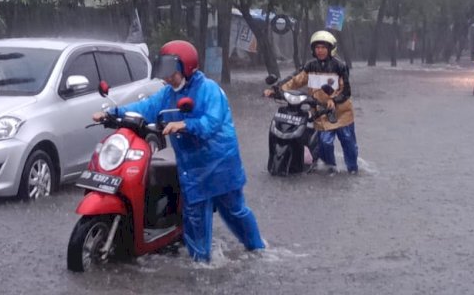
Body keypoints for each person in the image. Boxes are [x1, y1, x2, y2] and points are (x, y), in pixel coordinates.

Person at [91, 39, 264, 263]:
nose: (167, 78)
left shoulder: (209, 89)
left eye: (172, 73)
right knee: (194, 216)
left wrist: (185, 124)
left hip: (220, 162)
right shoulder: (167, 94)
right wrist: (112, 113)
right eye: (165, 73)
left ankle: (257, 249)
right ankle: (201, 265)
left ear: (187, 67)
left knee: (234, 211)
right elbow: (145, 108)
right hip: (192, 167)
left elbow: (212, 121)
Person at [265, 30, 358, 174]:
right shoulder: (310, 66)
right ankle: (331, 169)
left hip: (341, 112)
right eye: (317, 48)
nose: (320, 51)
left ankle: (352, 169)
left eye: (323, 47)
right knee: (325, 143)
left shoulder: (340, 66)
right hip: (320, 112)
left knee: (348, 141)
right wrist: (275, 89)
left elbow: (346, 90)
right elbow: (294, 80)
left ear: (330, 49)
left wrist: (334, 100)